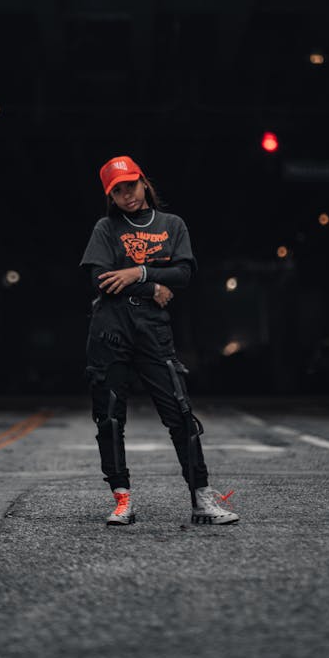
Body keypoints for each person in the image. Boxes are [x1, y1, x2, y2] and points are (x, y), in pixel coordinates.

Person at [80, 154, 239, 527]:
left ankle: (202, 499)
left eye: (131, 186)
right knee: (110, 418)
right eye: (117, 191)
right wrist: (152, 285)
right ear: (111, 196)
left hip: (153, 331)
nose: (127, 195)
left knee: (180, 413)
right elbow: (101, 280)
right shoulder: (106, 228)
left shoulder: (172, 225)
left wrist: (137, 270)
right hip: (111, 330)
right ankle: (122, 500)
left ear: (144, 182)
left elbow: (183, 273)